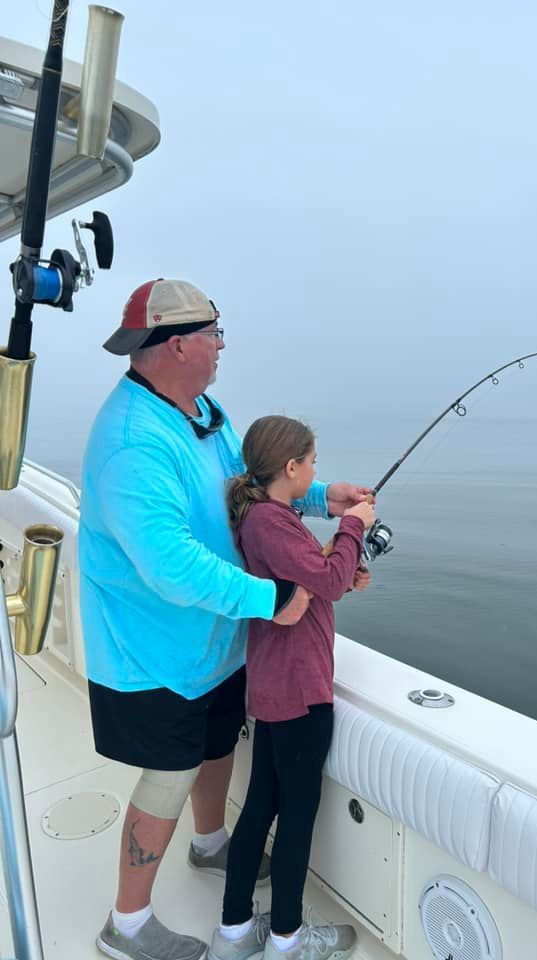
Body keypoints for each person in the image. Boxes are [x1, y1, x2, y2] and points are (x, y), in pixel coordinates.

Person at [79, 279, 373, 960]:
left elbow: (248, 474)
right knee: (168, 776)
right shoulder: (132, 441)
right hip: (153, 653)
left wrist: (325, 495)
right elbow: (170, 564)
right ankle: (125, 926)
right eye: (215, 336)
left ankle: (210, 845)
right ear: (179, 344)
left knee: (218, 747)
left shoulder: (199, 408)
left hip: (214, 641)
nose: (219, 348)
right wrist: (270, 600)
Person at [208, 415, 374, 960]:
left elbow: (310, 578)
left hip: (273, 685)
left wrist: (345, 567)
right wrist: (353, 528)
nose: (317, 472)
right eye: (313, 463)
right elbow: (320, 579)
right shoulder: (271, 523)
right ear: (291, 467)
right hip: (300, 690)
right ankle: (286, 938)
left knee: (261, 804)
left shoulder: (261, 517)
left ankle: (234, 932)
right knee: (297, 815)